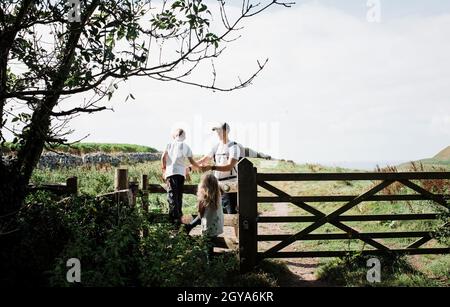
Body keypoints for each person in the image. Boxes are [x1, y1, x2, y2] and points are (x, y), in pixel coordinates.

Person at [196, 122, 243, 214]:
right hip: (216, 184)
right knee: (214, 211)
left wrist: (212, 167)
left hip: (230, 184)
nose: (217, 132)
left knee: (232, 213)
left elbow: (230, 166)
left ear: (226, 131)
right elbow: (205, 159)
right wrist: (189, 167)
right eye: (216, 130)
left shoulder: (233, 146)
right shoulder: (216, 146)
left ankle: (236, 229)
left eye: (219, 130)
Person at [161, 128, 201, 226]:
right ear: (183, 136)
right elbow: (192, 161)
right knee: (178, 196)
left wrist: (164, 170)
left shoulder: (169, 145)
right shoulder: (186, 146)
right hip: (181, 174)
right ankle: (178, 218)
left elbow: (163, 158)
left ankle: (175, 221)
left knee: (172, 196)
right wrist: (198, 166)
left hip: (171, 173)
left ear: (174, 135)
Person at [186, 173, 224, 257]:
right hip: (217, 224)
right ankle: (189, 226)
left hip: (208, 226)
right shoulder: (218, 194)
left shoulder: (203, 198)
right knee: (211, 244)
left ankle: (209, 264)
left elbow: (200, 213)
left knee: (208, 248)